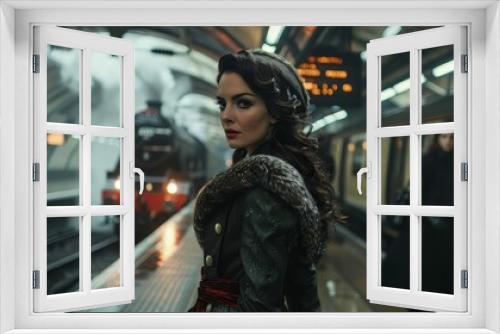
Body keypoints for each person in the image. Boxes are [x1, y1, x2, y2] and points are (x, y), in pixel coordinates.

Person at [188, 49, 343, 312]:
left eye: (243, 103)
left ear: (274, 112)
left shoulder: (266, 190)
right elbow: (302, 290)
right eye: (222, 103)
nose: (226, 115)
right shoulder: (256, 178)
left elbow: (259, 307)